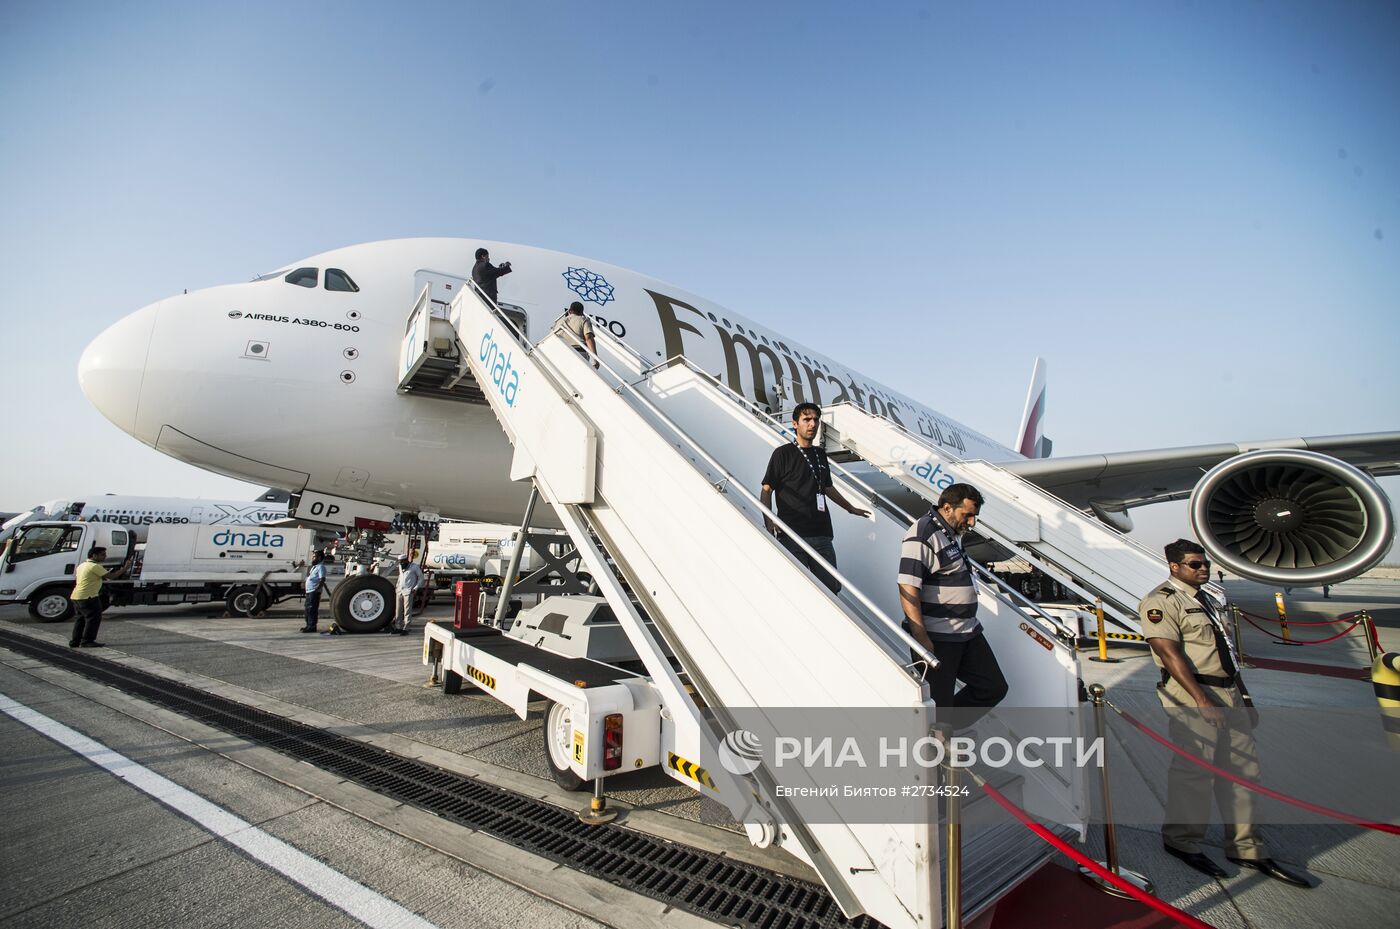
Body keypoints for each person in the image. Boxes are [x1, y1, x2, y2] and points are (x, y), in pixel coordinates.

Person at [1140, 539, 1312, 887]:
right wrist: (1201, 700)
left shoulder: (1207, 599)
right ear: (1174, 566)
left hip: (1229, 691)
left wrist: (1243, 697)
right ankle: (1181, 840)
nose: (1203, 569)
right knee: (1195, 773)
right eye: (1194, 564)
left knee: (1244, 772)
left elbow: (1227, 652)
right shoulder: (1161, 601)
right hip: (1193, 694)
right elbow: (1169, 654)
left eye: (1204, 563)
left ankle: (1246, 847)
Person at [897, 483, 1008, 726]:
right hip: (939, 637)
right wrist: (921, 637)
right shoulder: (923, 534)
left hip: (967, 632)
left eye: (974, 516)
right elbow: (907, 586)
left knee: (993, 687)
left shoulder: (951, 531)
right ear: (947, 508)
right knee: (940, 705)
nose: (972, 522)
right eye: (967, 515)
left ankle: (945, 727)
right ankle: (938, 735)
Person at [760, 403, 870, 593]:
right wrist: (769, 523)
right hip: (792, 534)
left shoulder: (820, 454)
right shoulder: (782, 454)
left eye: (816, 420)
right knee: (797, 589)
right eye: (806, 420)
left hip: (821, 534)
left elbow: (827, 487)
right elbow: (766, 490)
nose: (812, 424)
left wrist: (850, 508)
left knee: (831, 588)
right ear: (795, 424)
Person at [70, 546, 117, 648]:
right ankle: (87, 641)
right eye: (102, 554)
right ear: (94, 555)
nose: (105, 556)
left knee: (80, 619)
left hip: (76, 596)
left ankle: (75, 641)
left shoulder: (82, 565)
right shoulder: (94, 566)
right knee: (93, 618)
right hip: (88, 596)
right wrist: (126, 568)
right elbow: (112, 576)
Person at [554, 301, 599, 368]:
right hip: (579, 352)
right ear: (582, 312)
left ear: (569, 311)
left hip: (560, 352)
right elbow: (589, 338)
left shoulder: (559, 322)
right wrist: (596, 359)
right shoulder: (583, 319)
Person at [392, 555, 422, 635]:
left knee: (407, 611)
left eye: (402, 561)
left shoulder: (414, 567)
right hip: (399, 591)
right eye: (400, 562)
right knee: (398, 610)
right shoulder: (400, 566)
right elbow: (400, 577)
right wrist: (397, 586)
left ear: (406, 560)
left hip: (408, 591)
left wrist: (415, 588)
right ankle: (398, 627)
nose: (401, 563)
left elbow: (421, 578)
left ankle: (406, 628)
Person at [299, 550, 327, 633]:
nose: (313, 558)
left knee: (312, 609)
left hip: (313, 592)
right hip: (309, 591)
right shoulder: (314, 567)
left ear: (319, 558)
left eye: (314, 557)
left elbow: (322, 579)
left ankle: (312, 626)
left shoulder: (321, 567)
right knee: (307, 609)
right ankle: (308, 625)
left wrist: (317, 589)